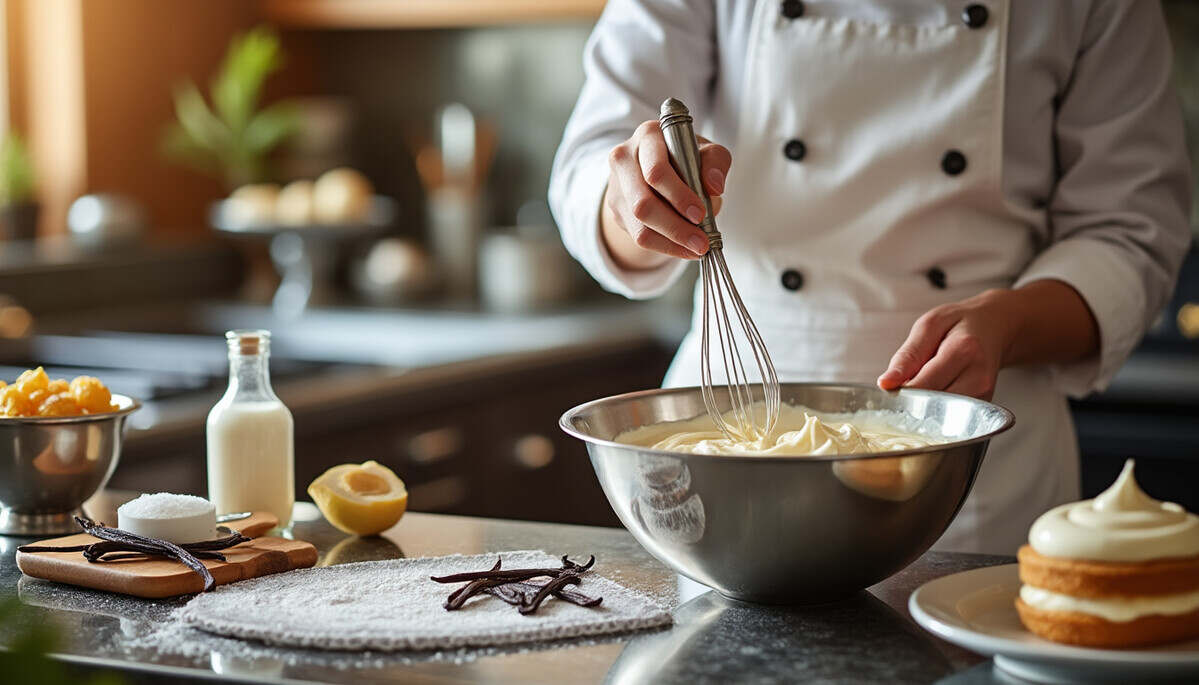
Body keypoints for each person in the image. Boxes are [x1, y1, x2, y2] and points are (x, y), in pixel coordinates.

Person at [548, 0, 1193, 554]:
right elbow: (591, 166)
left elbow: (1131, 228)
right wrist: (635, 202)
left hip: (972, 456)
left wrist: (1010, 324)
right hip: (725, 465)